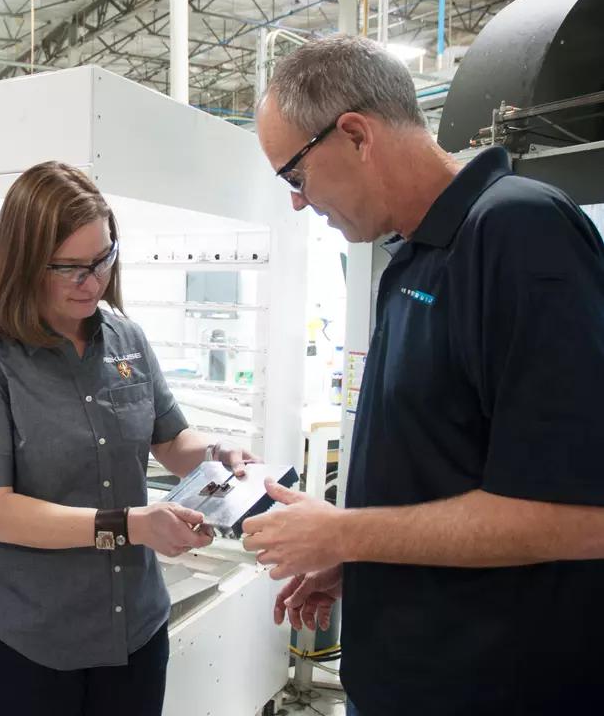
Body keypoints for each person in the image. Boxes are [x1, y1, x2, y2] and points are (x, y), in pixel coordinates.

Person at [243, 35, 604, 715]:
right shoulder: (412, 258)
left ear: (354, 134)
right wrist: (359, 560)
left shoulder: (516, 234)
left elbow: (582, 515)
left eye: (294, 176)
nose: (296, 201)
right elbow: (444, 471)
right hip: (406, 678)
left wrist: (345, 532)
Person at [0, 161, 258, 716]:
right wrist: (129, 526)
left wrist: (214, 452)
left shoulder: (125, 337)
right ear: (23, 261)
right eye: (70, 268)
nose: (93, 281)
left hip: (133, 631)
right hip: (29, 643)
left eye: (102, 260)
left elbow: (170, 437)